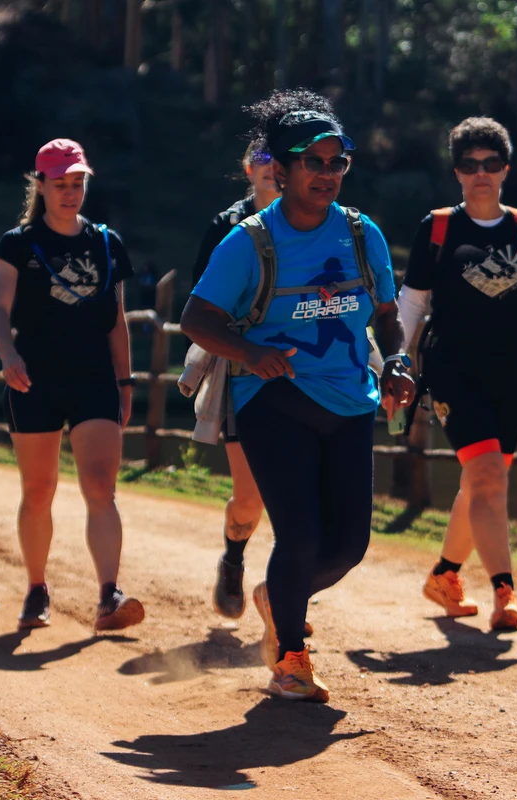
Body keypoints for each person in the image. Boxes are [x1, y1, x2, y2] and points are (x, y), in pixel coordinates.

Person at [182, 90, 415, 702]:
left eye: (338, 162)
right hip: (273, 398)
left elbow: (387, 316)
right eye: (314, 161)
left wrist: (396, 360)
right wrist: (249, 353)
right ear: (281, 171)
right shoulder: (249, 241)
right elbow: (197, 319)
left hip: (351, 401)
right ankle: (290, 658)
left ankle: (277, 595)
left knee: (349, 546)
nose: (327, 173)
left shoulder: (362, 235)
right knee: (301, 534)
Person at [397, 117, 517, 631]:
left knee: (483, 482)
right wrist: (394, 359)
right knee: (487, 477)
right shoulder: (438, 227)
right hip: (453, 367)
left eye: (490, 164)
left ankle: (444, 575)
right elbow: (412, 303)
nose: (481, 173)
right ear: (457, 172)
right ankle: (505, 591)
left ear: (505, 170)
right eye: (470, 165)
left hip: (512, 369)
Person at [0, 139, 144, 633]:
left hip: (94, 377)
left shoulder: (106, 243)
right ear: (40, 185)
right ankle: (37, 588)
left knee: (100, 485)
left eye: (78, 183)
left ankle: (109, 595)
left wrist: (125, 382)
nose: (70, 192)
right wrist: (8, 355)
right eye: (60, 184)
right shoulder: (17, 243)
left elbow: (116, 320)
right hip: (34, 378)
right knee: (39, 489)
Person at [190, 142, 281, 621]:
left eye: (279, 159)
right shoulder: (226, 226)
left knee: (301, 493)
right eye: (262, 160)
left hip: (304, 369)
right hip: (243, 370)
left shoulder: (316, 221)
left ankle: (288, 594)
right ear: (248, 168)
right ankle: (234, 557)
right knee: (250, 499)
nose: (271, 168)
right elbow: (200, 306)